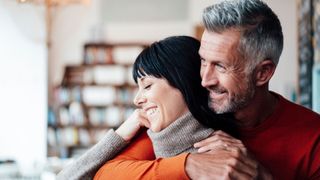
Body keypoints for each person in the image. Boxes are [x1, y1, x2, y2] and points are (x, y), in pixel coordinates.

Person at [94, 0, 320, 179]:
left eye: (221, 66)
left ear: (263, 73)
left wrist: (259, 176)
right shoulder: (183, 116)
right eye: (203, 61)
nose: (204, 80)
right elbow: (105, 174)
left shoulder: (313, 138)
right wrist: (188, 165)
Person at [57, 36, 237, 180]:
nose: (137, 100)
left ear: (184, 83)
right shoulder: (151, 141)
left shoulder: (218, 160)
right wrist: (120, 135)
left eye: (148, 86)